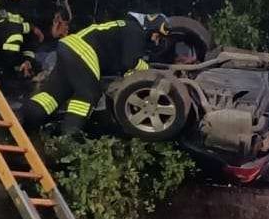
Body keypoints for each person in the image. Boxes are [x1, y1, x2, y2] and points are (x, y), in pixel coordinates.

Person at [19, 12, 168, 134]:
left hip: (70, 47)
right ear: (150, 28)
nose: (155, 41)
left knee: (54, 93)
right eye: (157, 36)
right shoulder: (135, 31)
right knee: (89, 94)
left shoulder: (125, 26)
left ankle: (24, 118)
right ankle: (68, 138)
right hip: (84, 50)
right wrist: (150, 70)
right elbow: (130, 62)